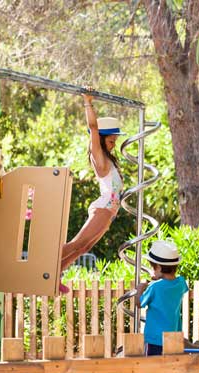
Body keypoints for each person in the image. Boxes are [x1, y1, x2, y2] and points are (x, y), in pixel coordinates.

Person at [59, 92, 125, 293]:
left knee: (84, 248)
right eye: (111, 141)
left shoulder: (110, 161)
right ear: (102, 140)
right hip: (103, 209)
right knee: (76, 243)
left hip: (109, 213)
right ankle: (41, 268)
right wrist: (87, 103)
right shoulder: (100, 159)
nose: (113, 145)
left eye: (115, 141)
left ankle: (55, 274)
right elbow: (93, 128)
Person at [137, 240, 188, 373]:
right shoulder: (181, 283)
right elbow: (172, 288)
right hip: (172, 341)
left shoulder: (155, 287)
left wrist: (142, 286)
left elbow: (140, 303)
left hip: (154, 341)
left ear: (157, 267)